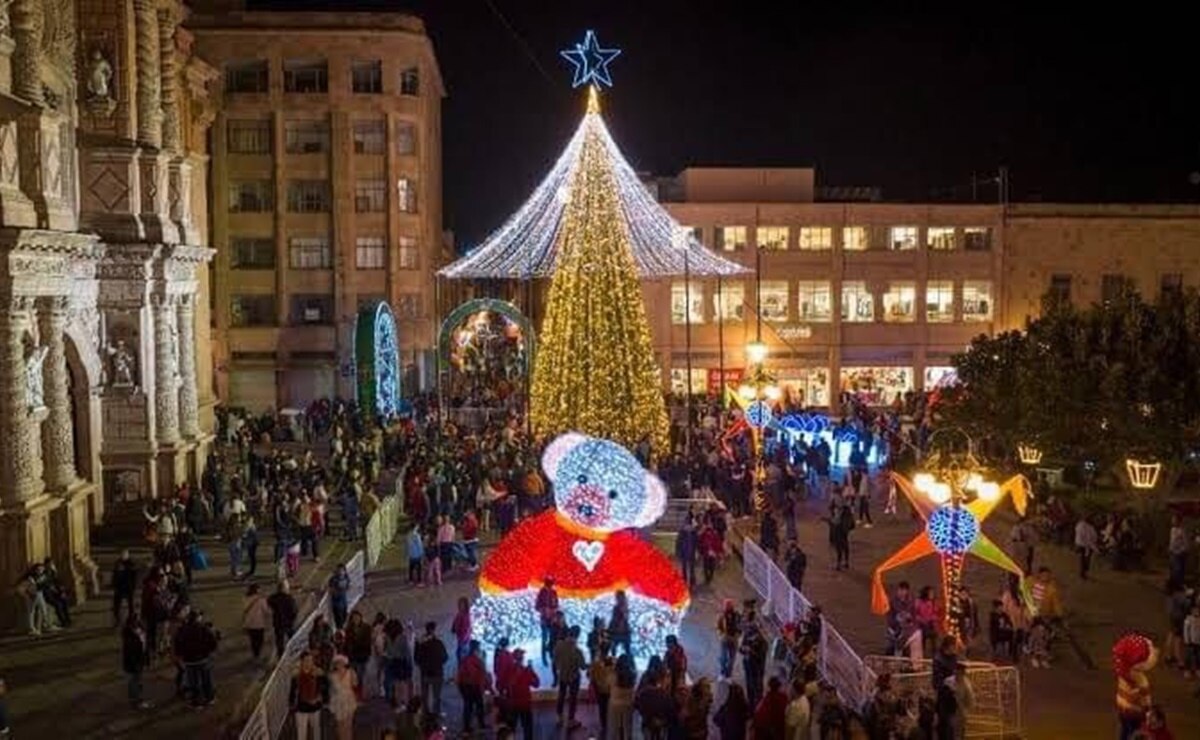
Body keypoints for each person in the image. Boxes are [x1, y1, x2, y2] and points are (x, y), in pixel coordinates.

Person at [173, 610, 218, 708]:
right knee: (206, 679)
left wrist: (179, 656)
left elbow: (177, 644)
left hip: (189, 660)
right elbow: (212, 641)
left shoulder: (182, 630)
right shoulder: (203, 628)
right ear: (197, 618)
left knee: (193, 682)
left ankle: (196, 701)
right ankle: (209, 698)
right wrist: (209, 651)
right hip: (202, 658)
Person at [289, 651, 329, 740]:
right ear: (302, 661)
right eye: (306, 660)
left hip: (315, 707)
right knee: (301, 733)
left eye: (310, 660)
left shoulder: (319, 674)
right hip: (301, 708)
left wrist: (321, 698)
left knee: (316, 731)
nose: (308, 663)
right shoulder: (296, 676)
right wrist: (291, 706)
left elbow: (325, 689)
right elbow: (292, 692)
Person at [553, 625, 586, 729]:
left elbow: (555, 660)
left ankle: (559, 716)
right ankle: (571, 720)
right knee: (573, 698)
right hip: (574, 677)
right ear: (578, 635)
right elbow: (583, 666)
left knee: (561, 696)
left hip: (562, 675)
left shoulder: (559, 646)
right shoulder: (577, 651)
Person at [455, 639, 491, 734]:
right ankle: (478, 724)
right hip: (473, 686)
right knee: (477, 705)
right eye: (479, 648)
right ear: (476, 649)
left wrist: (460, 686)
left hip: (466, 685)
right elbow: (478, 674)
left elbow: (460, 674)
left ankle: (467, 726)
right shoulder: (475, 660)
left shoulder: (466, 659)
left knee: (469, 706)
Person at [413, 621, 448, 716]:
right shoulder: (438, 643)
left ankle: (425, 712)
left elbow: (416, 659)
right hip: (437, 673)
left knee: (424, 694)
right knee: (437, 696)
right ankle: (436, 713)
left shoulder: (420, 643)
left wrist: (422, 666)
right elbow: (445, 657)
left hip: (425, 673)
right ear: (434, 630)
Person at [503, 649, 539, 740]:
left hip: (513, 703)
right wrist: (532, 672)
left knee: (511, 728)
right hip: (524, 703)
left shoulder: (509, 670)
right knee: (527, 728)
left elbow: (506, 685)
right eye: (522, 656)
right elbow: (536, 684)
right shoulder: (524, 670)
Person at [122, 613, 153, 710]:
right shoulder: (129, 636)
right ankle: (136, 701)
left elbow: (144, 647)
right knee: (134, 683)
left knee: (137, 682)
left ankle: (136, 700)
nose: (138, 622)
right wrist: (136, 665)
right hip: (133, 664)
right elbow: (131, 653)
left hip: (139, 662)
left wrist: (146, 660)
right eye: (135, 621)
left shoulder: (140, 630)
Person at [329, 654, 359, 740]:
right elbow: (332, 690)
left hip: (348, 700)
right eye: (337, 663)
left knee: (348, 726)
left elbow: (355, 684)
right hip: (338, 702)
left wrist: (354, 676)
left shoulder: (350, 673)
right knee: (339, 727)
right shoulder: (332, 676)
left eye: (341, 663)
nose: (339, 665)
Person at [741, 618, 769, 711]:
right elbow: (741, 648)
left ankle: (758, 706)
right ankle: (750, 704)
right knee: (749, 686)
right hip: (748, 666)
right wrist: (744, 649)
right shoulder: (747, 635)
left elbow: (761, 657)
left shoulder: (763, 643)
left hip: (757, 670)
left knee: (757, 688)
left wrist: (751, 651)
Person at [268, 579, 299, 659]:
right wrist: (292, 619)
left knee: (279, 641)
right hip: (288, 623)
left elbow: (269, 601)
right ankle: (294, 653)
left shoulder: (273, 598)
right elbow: (294, 611)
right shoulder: (290, 599)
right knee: (292, 638)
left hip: (278, 623)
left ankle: (280, 657)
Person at [242, 583, 271, 661]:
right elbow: (266, 611)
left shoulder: (246, 598)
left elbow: (244, 609)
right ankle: (258, 653)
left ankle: (255, 653)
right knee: (260, 639)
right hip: (259, 623)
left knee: (253, 639)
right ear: (257, 590)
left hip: (249, 623)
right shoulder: (261, 600)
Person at [589, 653, 615, 738]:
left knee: (602, 707)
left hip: (599, 689)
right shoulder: (613, 663)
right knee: (607, 706)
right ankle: (607, 724)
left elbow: (590, 675)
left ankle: (604, 725)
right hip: (608, 690)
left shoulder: (596, 664)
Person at [344, 610, 373, 686]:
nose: (356, 619)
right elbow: (347, 642)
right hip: (353, 655)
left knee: (361, 674)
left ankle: (361, 689)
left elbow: (368, 641)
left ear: (360, 618)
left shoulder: (367, 627)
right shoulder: (349, 629)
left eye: (357, 617)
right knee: (354, 675)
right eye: (354, 618)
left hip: (363, 654)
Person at [535, 577, 559, 665]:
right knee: (544, 639)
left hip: (552, 619)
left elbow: (556, 604)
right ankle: (544, 658)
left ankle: (552, 656)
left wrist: (554, 612)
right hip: (544, 619)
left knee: (552, 638)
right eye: (549, 584)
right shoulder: (542, 592)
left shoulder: (554, 592)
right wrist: (544, 610)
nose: (550, 586)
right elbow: (537, 606)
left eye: (551, 584)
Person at [112, 550, 139, 627]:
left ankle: (132, 620)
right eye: (122, 555)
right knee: (116, 605)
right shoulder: (118, 563)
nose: (123, 556)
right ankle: (117, 620)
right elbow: (114, 575)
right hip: (119, 587)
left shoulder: (131, 563)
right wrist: (114, 585)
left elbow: (134, 576)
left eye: (124, 555)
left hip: (128, 587)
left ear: (128, 555)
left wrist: (133, 586)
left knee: (131, 605)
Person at [717, 599, 742, 680]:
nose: (727, 607)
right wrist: (721, 635)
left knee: (732, 659)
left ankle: (728, 675)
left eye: (729, 605)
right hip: (725, 638)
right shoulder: (722, 616)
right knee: (723, 658)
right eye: (726, 605)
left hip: (734, 640)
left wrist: (738, 635)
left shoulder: (737, 616)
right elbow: (718, 627)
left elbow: (741, 626)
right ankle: (722, 673)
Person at [609, 589, 633, 658]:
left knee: (626, 649)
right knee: (614, 648)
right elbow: (614, 619)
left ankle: (629, 664)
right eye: (617, 597)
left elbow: (624, 618)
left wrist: (619, 626)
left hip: (622, 631)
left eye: (618, 597)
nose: (617, 598)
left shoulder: (623, 607)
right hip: (618, 630)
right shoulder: (617, 607)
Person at [1168, 516, 1190, 588]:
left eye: (1174, 520)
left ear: (1178, 521)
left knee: (1178, 570)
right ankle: (1173, 584)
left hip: (1179, 553)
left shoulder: (1182, 531)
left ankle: (1179, 585)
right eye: (1172, 520)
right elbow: (1172, 541)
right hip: (1172, 552)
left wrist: (1180, 551)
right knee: (1173, 569)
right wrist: (1170, 548)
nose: (1172, 521)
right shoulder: (1172, 530)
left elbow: (1186, 543)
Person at [1075, 515, 1099, 580]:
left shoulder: (1080, 525)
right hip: (1085, 545)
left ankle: (1083, 573)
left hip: (1081, 544)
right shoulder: (1087, 527)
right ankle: (1083, 573)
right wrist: (1094, 547)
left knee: (1083, 559)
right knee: (1085, 560)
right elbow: (1088, 538)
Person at [676, 516, 698, 586]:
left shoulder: (693, 532)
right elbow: (678, 543)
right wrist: (678, 552)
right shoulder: (682, 532)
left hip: (690, 551)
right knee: (686, 567)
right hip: (686, 551)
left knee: (690, 567)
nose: (687, 526)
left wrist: (697, 551)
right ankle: (687, 579)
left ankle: (691, 580)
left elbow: (696, 542)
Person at [328, 563, 351, 630]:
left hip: (344, 601)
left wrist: (346, 588)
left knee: (345, 615)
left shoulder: (346, 577)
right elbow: (331, 589)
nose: (340, 572)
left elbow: (348, 585)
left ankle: (342, 628)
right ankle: (339, 630)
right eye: (339, 570)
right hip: (337, 602)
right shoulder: (334, 579)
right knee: (339, 618)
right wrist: (335, 592)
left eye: (342, 570)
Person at [451, 597, 472, 663]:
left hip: (463, 641)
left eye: (462, 604)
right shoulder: (459, 615)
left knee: (462, 659)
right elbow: (454, 627)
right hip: (460, 640)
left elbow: (466, 629)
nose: (460, 606)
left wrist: (463, 640)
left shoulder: (465, 615)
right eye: (459, 604)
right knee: (459, 657)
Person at [1184, 602, 1200, 680]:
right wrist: (1187, 640)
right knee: (1189, 656)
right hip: (1190, 642)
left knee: (1198, 656)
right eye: (1194, 610)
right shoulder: (1188, 619)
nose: (1196, 612)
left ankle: (1197, 669)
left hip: (1198, 641)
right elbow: (1186, 631)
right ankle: (1187, 670)